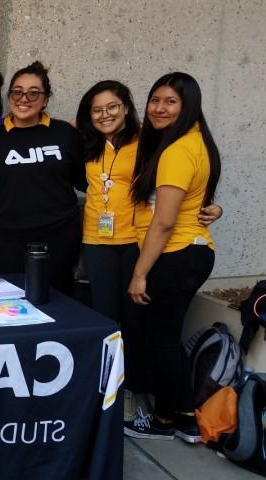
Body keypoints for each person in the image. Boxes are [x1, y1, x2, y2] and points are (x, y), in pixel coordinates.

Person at [75, 80, 222, 419]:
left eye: (113, 106)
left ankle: (136, 390)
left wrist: (214, 207)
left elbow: (178, 192)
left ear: (127, 107)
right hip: (97, 241)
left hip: (135, 242)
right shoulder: (84, 142)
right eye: (97, 109)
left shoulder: (149, 141)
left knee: (136, 322)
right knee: (104, 318)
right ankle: (108, 387)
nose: (105, 114)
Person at [123, 72, 221, 444]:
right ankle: (183, 416)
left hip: (175, 254)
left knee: (162, 341)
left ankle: (163, 421)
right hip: (192, 251)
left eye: (170, 102)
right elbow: (195, 204)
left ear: (188, 106)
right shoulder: (193, 142)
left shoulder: (178, 151)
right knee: (168, 338)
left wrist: (139, 274)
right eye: (155, 100)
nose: (159, 109)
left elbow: (163, 222)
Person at [0, 61, 86, 294]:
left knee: (58, 301)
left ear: (46, 99)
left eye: (33, 93)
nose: (24, 99)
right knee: (9, 302)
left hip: (59, 237)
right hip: (7, 239)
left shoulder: (65, 134)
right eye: (17, 92)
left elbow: (84, 180)